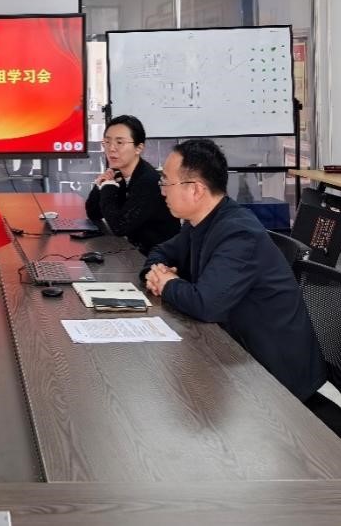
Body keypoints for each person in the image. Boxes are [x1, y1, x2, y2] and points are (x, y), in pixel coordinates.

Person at [140, 138, 326, 401]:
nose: (162, 192)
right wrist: (156, 273)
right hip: (235, 352)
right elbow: (161, 251)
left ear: (196, 189)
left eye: (166, 183)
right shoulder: (200, 222)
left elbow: (206, 305)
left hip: (274, 378)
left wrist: (167, 283)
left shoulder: (238, 233)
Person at [85, 114, 178, 253]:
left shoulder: (148, 181)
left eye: (119, 142)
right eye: (107, 142)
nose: (111, 148)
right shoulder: (117, 174)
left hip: (157, 258)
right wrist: (100, 186)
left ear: (138, 148)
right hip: (133, 252)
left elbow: (119, 226)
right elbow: (93, 213)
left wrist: (108, 187)